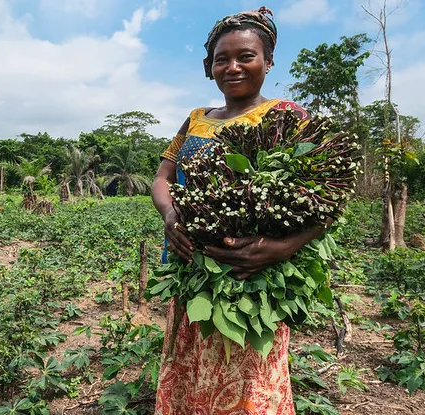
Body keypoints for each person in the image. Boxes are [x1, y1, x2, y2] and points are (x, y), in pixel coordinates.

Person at [151, 7, 329, 415]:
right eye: (221, 59)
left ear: (267, 61)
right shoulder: (196, 120)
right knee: (190, 364)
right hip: (191, 266)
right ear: (207, 66)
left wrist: (283, 247)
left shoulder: (288, 117)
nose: (232, 67)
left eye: (245, 56)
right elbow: (162, 178)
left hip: (254, 276)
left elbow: (328, 201)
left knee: (249, 378)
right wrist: (170, 214)